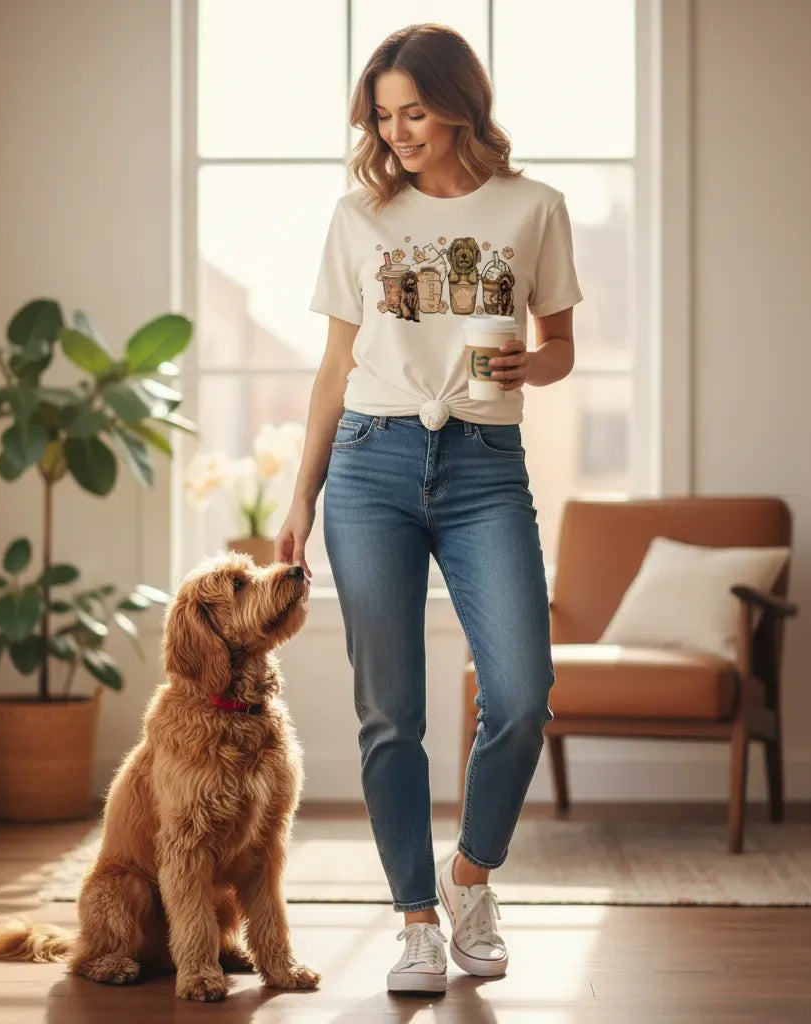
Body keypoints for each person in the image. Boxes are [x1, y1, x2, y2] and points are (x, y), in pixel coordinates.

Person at [275, 23, 582, 996]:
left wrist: (528, 365)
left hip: (486, 463)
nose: (397, 131)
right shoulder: (359, 215)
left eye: (413, 111)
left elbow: (561, 345)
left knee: (522, 694)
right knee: (389, 714)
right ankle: (413, 919)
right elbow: (333, 365)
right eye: (382, 114)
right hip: (369, 463)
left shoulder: (534, 208)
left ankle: (469, 880)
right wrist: (300, 493)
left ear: (457, 105)